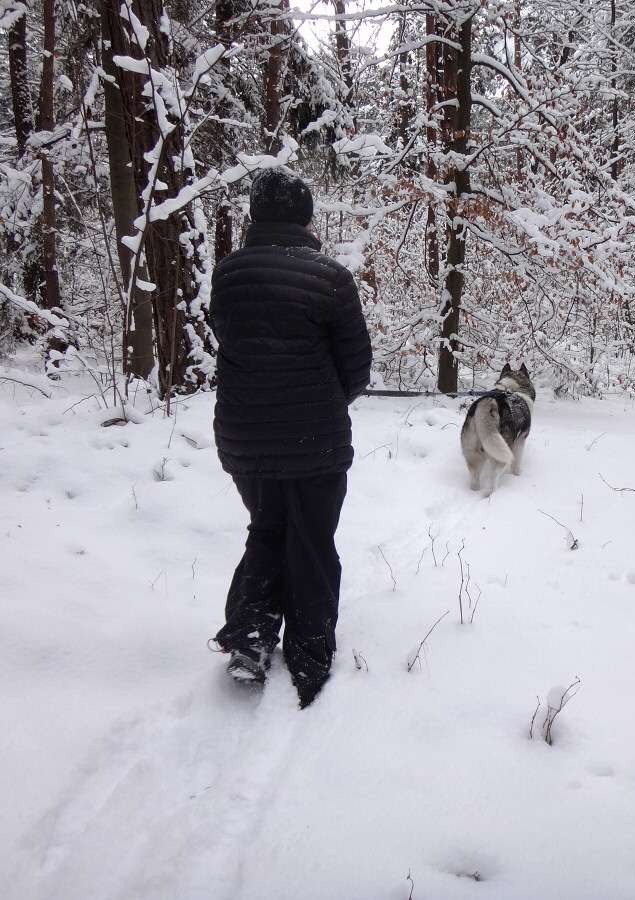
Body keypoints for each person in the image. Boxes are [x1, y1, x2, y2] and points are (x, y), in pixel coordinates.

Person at [209, 167, 372, 708]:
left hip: (243, 441)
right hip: (314, 443)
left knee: (267, 530)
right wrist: (323, 401)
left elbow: (233, 342)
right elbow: (356, 367)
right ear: (306, 217)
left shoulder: (227, 274)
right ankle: (310, 655)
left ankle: (250, 639)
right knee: (311, 541)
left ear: (256, 216)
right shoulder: (330, 278)